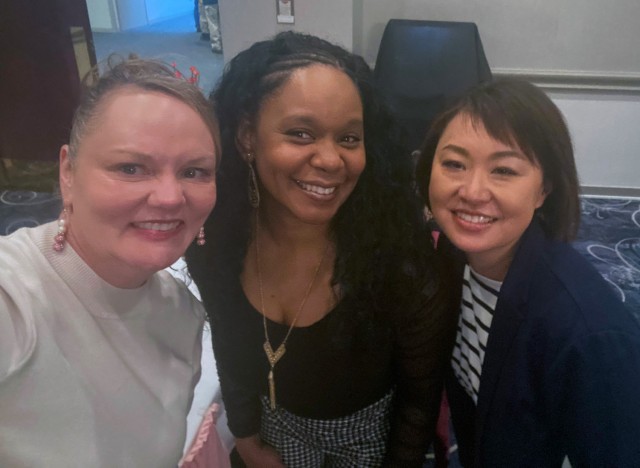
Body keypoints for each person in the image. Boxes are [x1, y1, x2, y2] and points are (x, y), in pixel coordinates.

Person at [185, 31, 457, 467]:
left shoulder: (399, 262)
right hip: (275, 433)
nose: (331, 160)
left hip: (372, 438)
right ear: (247, 138)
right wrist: (248, 438)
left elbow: (419, 397)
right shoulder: (216, 240)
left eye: (349, 139)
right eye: (301, 133)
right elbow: (231, 348)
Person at [0, 57, 220, 467]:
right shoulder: (14, 298)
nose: (171, 198)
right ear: (68, 172)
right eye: (131, 168)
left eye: (194, 171)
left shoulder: (183, 312)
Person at [415, 78, 640, 466]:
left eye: (503, 170)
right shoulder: (453, 255)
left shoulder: (587, 335)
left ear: (543, 190)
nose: (472, 190)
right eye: (454, 164)